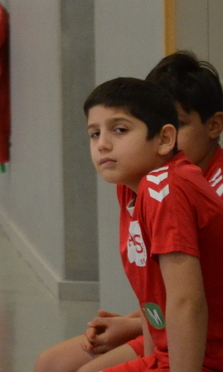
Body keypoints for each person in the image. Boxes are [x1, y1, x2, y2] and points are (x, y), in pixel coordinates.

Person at [37, 55, 223, 372]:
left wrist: (133, 327)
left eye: (120, 129)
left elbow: (189, 300)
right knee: (51, 363)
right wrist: (142, 338)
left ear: (164, 136)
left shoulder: (168, 187)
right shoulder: (135, 184)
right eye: (94, 134)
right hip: (172, 333)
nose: (103, 144)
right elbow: (155, 286)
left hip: (203, 345)